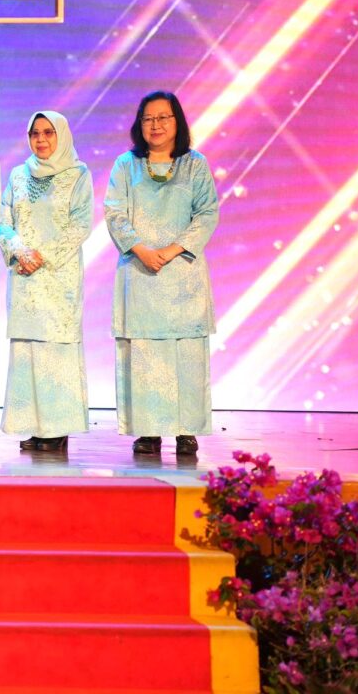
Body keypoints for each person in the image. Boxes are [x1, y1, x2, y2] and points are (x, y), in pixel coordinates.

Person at [103, 90, 219, 458]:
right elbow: (114, 213)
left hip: (183, 273)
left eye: (163, 117)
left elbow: (207, 213)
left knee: (186, 354)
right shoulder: (126, 165)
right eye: (148, 118)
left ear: (177, 121)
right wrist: (141, 250)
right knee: (145, 354)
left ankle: (186, 431)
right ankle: (148, 430)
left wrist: (170, 251)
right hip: (140, 272)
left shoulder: (195, 164)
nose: (155, 125)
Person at [0, 111, 93, 453]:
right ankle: (34, 426)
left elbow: (81, 224)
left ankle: (57, 428)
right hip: (24, 275)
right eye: (35, 133)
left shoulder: (78, 174)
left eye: (48, 133)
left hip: (58, 276)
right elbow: (3, 221)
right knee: (28, 350)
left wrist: (42, 255)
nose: (41, 139)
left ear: (61, 135)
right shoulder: (18, 175)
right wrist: (19, 251)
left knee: (55, 349)